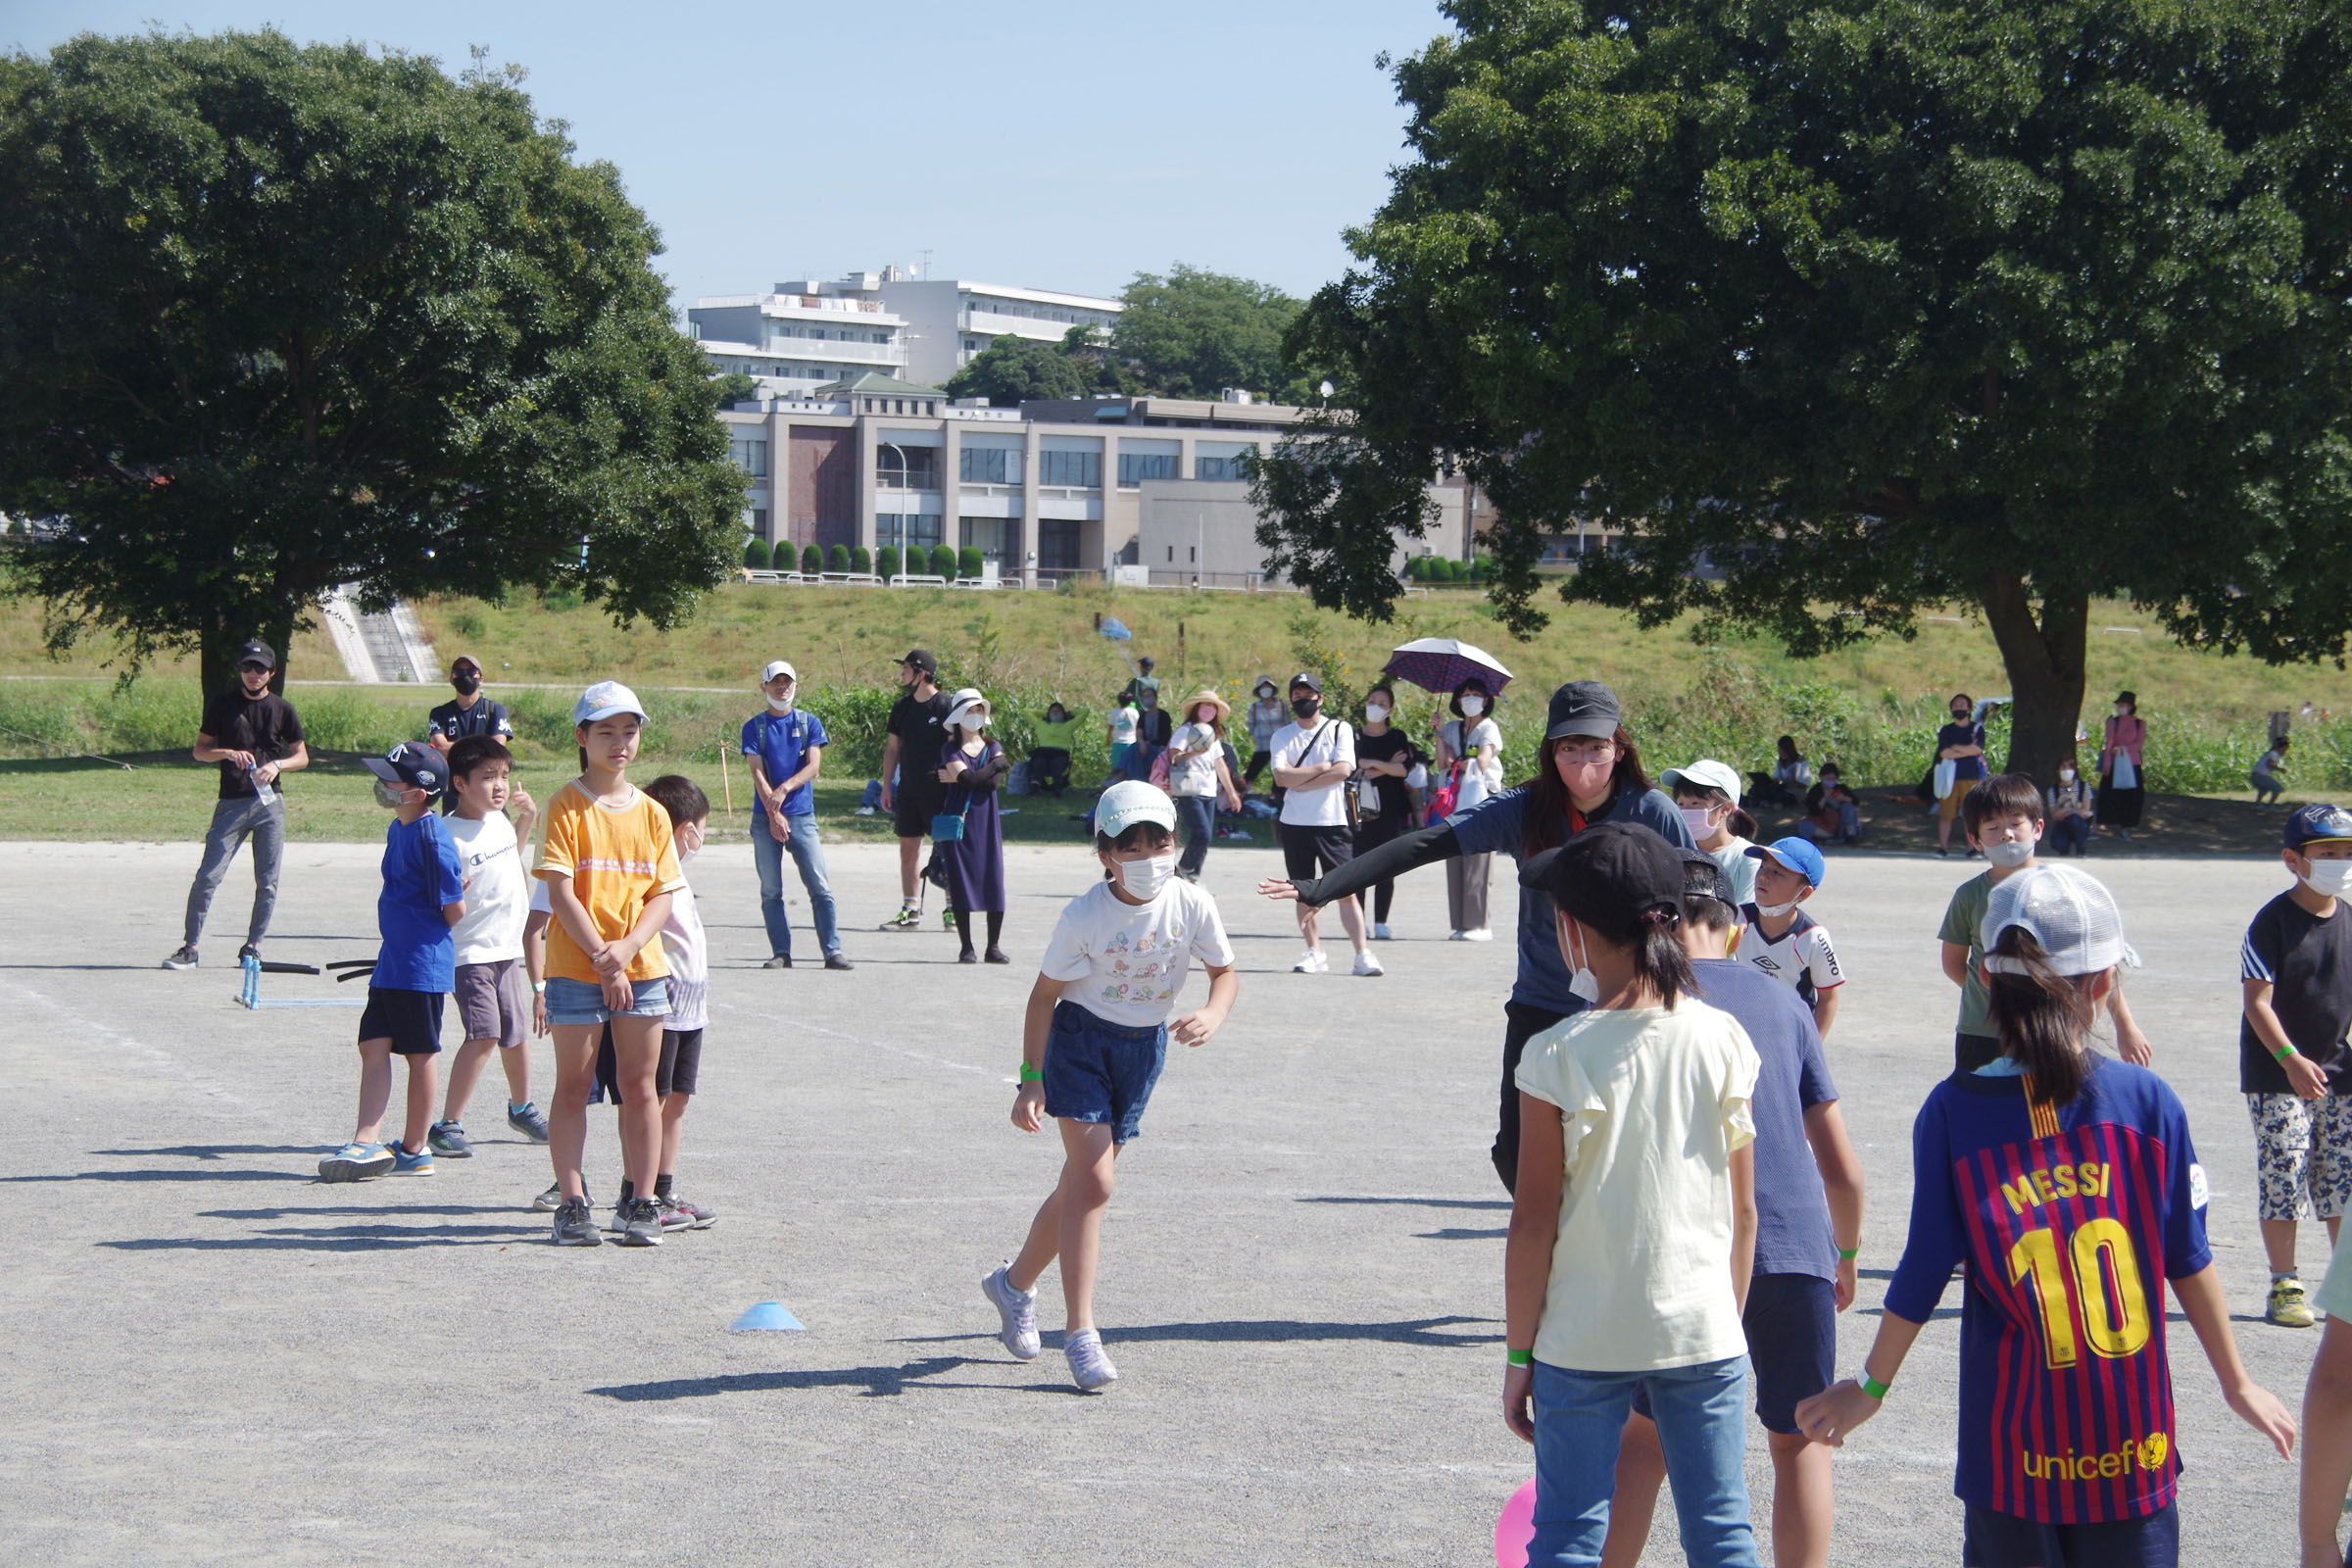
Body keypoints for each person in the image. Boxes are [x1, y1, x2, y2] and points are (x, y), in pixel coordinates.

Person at [1796, 864, 2297, 1566]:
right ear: (2103, 983)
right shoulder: (2148, 1103)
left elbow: (1922, 1268)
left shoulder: (1952, 1111)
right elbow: (2189, 1256)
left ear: (1983, 981)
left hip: (2012, 1456)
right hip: (2133, 1443)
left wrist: (1870, 1388)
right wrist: (2236, 1382)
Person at [1261, 680, 1694, 1188]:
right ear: (1550, 751)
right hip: (1544, 1001)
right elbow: (1426, 843)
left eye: (1596, 747)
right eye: (1568, 748)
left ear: (1618, 748)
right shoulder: (1525, 807)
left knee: (1621, 1151)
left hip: (1629, 1006)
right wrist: (1325, 885)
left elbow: (1700, 900)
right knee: (1517, 1159)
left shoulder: (1652, 811)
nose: (1583, 762)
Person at [1501, 822, 1763, 1568]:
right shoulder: (1724, 1037)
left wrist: (1521, 1353)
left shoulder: (1554, 1051)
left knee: (1569, 1536)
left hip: (1583, 1334)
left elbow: (1533, 1221)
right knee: (1721, 1533)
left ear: (1572, 931)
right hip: (1703, 1325)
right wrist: (1726, 1324)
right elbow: (1743, 1211)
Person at [1600, 852, 1864, 1568]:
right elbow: (1842, 1170)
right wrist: (1844, 1254)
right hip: (1794, 1246)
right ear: (1735, 925)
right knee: (1801, 1437)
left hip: (1688, 1252)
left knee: (1644, 1440)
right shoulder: (1785, 1003)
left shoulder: (1633, 1000)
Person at [981, 781, 1238, 1393]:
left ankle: (1012, 1285)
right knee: (1095, 1182)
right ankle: (1081, 1334)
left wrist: (1215, 1012)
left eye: (1161, 841)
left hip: (1142, 1049)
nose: (1150, 855)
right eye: (1133, 845)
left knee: (1079, 1185)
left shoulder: (1193, 903)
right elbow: (1043, 997)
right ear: (1105, 853)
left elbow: (1224, 972)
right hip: (1080, 1042)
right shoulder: (1084, 915)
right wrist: (1030, 1080)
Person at [535, 681, 685, 1249]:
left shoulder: (651, 813)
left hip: (641, 968)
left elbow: (663, 893)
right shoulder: (565, 805)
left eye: (629, 731)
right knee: (574, 1086)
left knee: (640, 1087)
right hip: (577, 967)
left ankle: (640, 1201)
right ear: (582, 737)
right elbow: (561, 892)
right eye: (606, 732)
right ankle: (573, 1203)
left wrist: (626, 952)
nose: (619, 743)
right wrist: (604, 957)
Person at [318, 743, 466, 1182]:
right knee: (372, 1044)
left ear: (418, 792)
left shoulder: (432, 838)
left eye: (391, 779)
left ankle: (415, 1148)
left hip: (421, 963)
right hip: (393, 961)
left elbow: (453, 910)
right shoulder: (397, 828)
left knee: (420, 1054)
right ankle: (366, 1140)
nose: (382, 785)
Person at [2239, 803, 2352, 1330]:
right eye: (2326, 853)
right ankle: (2284, 1283)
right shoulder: (2272, 922)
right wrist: (2289, 1060)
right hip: (2279, 1072)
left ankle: (2344, 1284)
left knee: (2341, 1179)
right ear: (2293, 859)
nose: (2339, 862)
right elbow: (2257, 1002)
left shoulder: (2350, 920)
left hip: (2339, 1072)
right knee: (2285, 1172)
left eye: (2346, 852)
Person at [427, 735, 546, 1157]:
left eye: (505, 776)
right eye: (488, 777)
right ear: (459, 783)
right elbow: (432, 896)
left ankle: (521, 1107)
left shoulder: (497, 819)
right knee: (484, 1034)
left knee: (514, 1035)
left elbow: (508, 858)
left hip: (505, 950)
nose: (500, 786)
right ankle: (447, 1123)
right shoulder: (445, 834)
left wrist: (526, 821)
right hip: (470, 952)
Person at [163, 638, 308, 970]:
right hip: (232, 802)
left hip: (270, 805)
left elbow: (302, 756)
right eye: (246, 668)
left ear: (271, 672)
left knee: (268, 880)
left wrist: (277, 765)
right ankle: (190, 947)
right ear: (240, 671)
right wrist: (226, 752)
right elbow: (199, 751)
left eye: (259, 669)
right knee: (208, 875)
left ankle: (253, 946)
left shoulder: (282, 709)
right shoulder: (222, 704)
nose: (252, 674)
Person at [637, 774, 719, 1231]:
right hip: (660, 1007)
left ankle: (664, 1187)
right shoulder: (651, 874)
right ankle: (640, 1191)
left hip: (691, 1008)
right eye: (701, 829)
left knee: (678, 1099)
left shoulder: (678, 874)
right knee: (653, 1098)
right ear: (686, 830)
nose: (701, 839)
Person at [741, 659, 849, 970]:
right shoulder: (754, 727)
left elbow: (813, 766)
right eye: (776, 681)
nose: (782, 686)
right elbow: (757, 773)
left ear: (796, 686)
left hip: (802, 815)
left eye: (787, 681)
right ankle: (781, 953)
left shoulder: (808, 723)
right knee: (771, 889)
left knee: (820, 886)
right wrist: (773, 813)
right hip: (765, 818)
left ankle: (832, 951)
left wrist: (784, 789)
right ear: (764, 686)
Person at [1269, 671, 1379, 977]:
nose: (1304, 700)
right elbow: (1280, 777)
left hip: (1332, 822)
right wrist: (1319, 768)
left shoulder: (1338, 729)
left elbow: (1343, 770)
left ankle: (1362, 954)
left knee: (1346, 890)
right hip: (1294, 823)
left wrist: (1299, 778)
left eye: (1309, 694)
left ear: (1321, 698)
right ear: (1291, 698)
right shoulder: (1282, 736)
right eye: (1298, 694)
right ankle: (1314, 951)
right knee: (1304, 891)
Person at [1738, 838, 1845, 1043]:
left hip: (1789, 1038)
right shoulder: (1736, 918)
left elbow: (1828, 998)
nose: (1764, 876)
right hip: (1743, 1032)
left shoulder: (1813, 937)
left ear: (1803, 892)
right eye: (1763, 866)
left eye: (1777, 872)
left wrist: (1812, 1049)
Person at [879, 650, 955, 930]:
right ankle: (910, 909)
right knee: (908, 851)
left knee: (948, 850)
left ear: (920, 673)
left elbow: (956, 746)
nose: (902, 674)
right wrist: (887, 786)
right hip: (909, 790)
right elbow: (892, 749)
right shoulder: (901, 707)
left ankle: (952, 910)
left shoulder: (945, 705)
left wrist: (956, 776)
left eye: (906, 669)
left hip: (941, 793)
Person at [938, 688, 1010, 964]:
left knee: (994, 879)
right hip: (961, 819)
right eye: (970, 710)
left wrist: (984, 770)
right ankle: (966, 946)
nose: (975, 715)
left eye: (979, 710)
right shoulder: (951, 748)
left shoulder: (992, 745)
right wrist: (997, 764)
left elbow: (987, 783)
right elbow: (968, 779)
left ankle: (993, 946)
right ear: (958, 716)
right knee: (961, 881)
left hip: (987, 821)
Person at [1439, 677, 1504, 942]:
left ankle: (1480, 923)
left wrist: (1460, 761)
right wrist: (1438, 733)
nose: (1470, 699)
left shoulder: (1489, 728)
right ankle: (1460, 923)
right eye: (1465, 694)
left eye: (1476, 695)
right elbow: (1443, 761)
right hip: (1456, 798)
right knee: (1453, 857)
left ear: (1486, 700)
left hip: (1481, 797)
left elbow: (1483, 762)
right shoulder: (1453, 728)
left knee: (1478, 860)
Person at [1353, 683, 1418, 939]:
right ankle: (1359, 922)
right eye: (1371, 701)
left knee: (1386, 866)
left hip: (1390, 810)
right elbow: (1355, 769)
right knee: (1359, 866)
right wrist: (1387, 766)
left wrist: (1374, 765)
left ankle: (1381, 921)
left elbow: (1403, 770)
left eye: (1381, 703)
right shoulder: (1353, 736)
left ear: (1390, 709)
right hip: (1359, 810)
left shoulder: (1397, 737)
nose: (1375, 706)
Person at [1165, 690, 1242, 884]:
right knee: (1202, 833)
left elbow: (1220, 765)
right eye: (1204, 705)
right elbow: (1174, 758)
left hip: (1209, 791)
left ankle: (1192, 877)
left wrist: (1232, 793)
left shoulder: (1212, 735)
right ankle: (1181, 871)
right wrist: (1194, 753)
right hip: (1189, 789)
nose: (1208, 709)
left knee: (1205, 837)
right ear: (1196, 708)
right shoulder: (1186, 730)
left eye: (1212, 706)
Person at [1664, 759, 1758, 906]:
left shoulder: (1746, 858)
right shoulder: (1671, 853)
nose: (1685, 811)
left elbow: (1743, 919)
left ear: (1726, 809)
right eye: (1680, 803)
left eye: (1695, 803)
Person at [1936, 693, 1989, 857]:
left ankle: (1972, 848)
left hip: (1972, 775)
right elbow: (1944, 752)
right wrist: (1967, 751)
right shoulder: (1946, 730)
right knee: (1946, 815)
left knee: (1970, 815)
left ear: (1969, 708)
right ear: (1951, 708)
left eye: (1962, 704)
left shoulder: (1977, 729)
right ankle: (1943, 847)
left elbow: (1977, 749)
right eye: (1956, 705)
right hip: (1949, 778)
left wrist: (1956, 747)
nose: (1959, 707)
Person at [425, 653, 513, 754]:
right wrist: (481, 747)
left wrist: (455, 748)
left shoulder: (495, 710)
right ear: (451, 680)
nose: (465, 676)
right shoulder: (439, 713)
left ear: (481, 680)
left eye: (471, 672)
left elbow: (497, 747)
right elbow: (439, 747)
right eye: (459, 672)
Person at [2097, 689, 2147, 840]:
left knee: (2132, 796)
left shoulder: (2140, 724)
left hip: (2132, 764)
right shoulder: (2113, 721)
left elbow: (2139, 743)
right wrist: (2107, 761)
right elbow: (2109, 741)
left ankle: (2126, 826)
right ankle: (2101, 824)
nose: (2121, 707)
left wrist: (2124, 750)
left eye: (2124, 704)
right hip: (2114, 763)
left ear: (2131, 706)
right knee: (2107, 794)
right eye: (2120, 704)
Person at [1797, 763, 1861, 848]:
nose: (1831, 781)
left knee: (1847, 806)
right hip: (1823, 823)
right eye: (1828, 779)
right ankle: (1831, 838)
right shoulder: (1815, 790)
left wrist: (1843, 798)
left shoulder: (1841, 788)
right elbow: (1813, 810)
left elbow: (1855, 801)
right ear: (1822, 777)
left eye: (1833, 779)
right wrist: (1825, 797)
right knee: (1804, 825)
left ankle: (1850, 835)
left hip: (1840, 823)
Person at [2046, 757, 2095, 856]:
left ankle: (2081, 846)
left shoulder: (2084, 786)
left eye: (2070, 767)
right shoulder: (2052, 791)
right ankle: (2064, 847)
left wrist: (2066, 810)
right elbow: (2054, 815)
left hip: (2080, 823)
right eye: (2063, 767)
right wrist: (2072, 809)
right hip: (2062, 823)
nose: (2067, 770)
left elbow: (2085, 812)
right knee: (2057, 843)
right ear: (2057, 770)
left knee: (2074, 819)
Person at [1244, 676, 1286, 790]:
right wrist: (1258, 736)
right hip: (1262, 746)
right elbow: (1251, 725)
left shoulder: (1281, 705)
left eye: (1267, 687)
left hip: (1279, 746)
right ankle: (1243, 794)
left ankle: (1276, 797)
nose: (1265, 689)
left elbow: (1287, 723)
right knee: (1251, 772)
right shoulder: (1254, 707)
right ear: (1258, 690)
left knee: (1279, 772)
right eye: (1263, 687)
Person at [1031, 700, 1079, 796]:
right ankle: (1034, 790)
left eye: (1058, 712)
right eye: (1053, 711)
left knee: (1056, 765)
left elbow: (1085, 711)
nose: (1055, 713)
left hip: (1060, 754)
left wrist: (1068, 713)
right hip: (1043, 753)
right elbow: (1026, 712)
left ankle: (1057, 790)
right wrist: (1047, 714)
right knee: (1038, 763)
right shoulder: (1041, 725)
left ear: (1063, 714)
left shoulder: (1068, 725)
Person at [1748, 736, 1812, 809]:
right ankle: (1761, 802)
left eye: (1784, 751)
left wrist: (1792, 782)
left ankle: (1771, 804)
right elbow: (1776, 779)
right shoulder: (1780, 763)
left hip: (1795, 793)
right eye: (1780, 750)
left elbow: (1804, 785)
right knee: (1757, 789)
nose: (1781, 753)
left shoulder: (1801, 762)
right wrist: (1770, 783)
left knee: (1782, 795)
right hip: (1783, 789)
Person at [1106, 692, 1141, 778]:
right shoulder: (1134, 712)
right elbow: (1137, 727)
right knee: (1129, 766)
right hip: (1131, 742)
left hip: (1117, 742)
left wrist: (1108, 739)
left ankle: (1113, 782)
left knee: (1116, 766)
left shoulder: (1115, 712)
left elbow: (1110, 727)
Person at [2254, 734, 2290, 807]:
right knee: (2278, 788)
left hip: (2255, 775)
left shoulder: (2270, 753)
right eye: (2285, 749)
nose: (2285, 752)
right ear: (2281, 748)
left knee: (2263, 789)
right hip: (2261, 776)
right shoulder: (2274, 754)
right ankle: (2270, 806)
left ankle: (2258, 804)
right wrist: (2280, 769)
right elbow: (2269, 764)